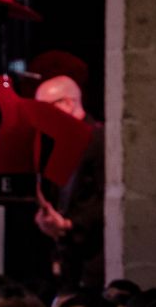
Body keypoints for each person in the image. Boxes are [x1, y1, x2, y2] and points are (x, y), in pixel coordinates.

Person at [32, 71, 104, 291]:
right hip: (67, 258)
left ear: (67, 103)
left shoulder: (100, 140)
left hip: (94, 258)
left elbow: (110, 198)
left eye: (44, 110)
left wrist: (70, 223)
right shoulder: (57, 144)